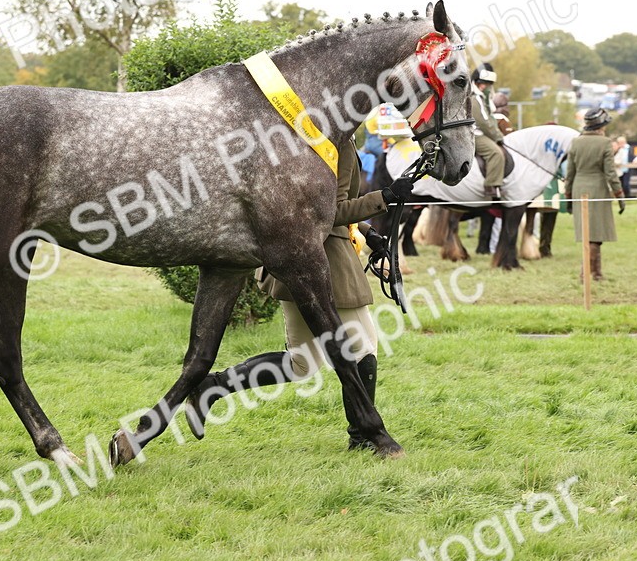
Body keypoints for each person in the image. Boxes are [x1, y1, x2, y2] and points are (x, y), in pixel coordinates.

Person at [183, 143, 414, 453]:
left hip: (304, 260)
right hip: (325, 262)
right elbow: (326, 211)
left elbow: (319, 202)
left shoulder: (326, 134)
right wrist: (382, 198)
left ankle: (213, 387)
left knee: (301, 363)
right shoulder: (336, 142)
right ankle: (363, 435)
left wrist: (366, 230)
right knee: (363, 350)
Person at [564, 108, 625, 281]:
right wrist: (619, 195)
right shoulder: (605, 143)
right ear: (601, 125)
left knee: (590, 234)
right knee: (595, 235)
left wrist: (568, 196)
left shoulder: (575, 142)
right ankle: (586, 273)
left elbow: (570, 173)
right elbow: (611, 174)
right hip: (597, 189)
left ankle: (597, 273)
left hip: (578, 188)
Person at [470, 63, 505, 200]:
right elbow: (483, 122)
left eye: (488, 84)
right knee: (496, 153)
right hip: (475, 135)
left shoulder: (481, 98)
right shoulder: (474, 98)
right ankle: (491, 186)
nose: (486, 87)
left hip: (481, 133)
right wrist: (498, 136)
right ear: (477, 83)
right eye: (483, 83)